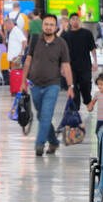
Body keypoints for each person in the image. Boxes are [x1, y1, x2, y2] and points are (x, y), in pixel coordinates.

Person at [23, 12, 72, 157]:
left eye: (52, 25)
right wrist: (22, 82)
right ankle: (54, 141)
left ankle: (39, 144)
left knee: (46, 115)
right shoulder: (34, 39)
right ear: (42, 25)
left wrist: (71, 86)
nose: (49, 27)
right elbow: (28, 60)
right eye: (46, 24)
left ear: (56, 27)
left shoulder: (61, 43)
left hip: (53, 84)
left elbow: (66, 66)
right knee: (41, 115)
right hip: (35, 85)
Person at [60, 12, 97, 107]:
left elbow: (92, 48)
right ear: (70, 21)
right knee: (73, 85)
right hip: (71, 66)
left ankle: (87, 100)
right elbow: (62, 53)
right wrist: (62, 67)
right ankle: (75, 107)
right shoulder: (65, 36)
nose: (75, 21)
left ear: (79, 21)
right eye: (73, 19)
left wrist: (95, 62)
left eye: (77, 19)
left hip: (85, 65)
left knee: (86, 84)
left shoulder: (87, 33)